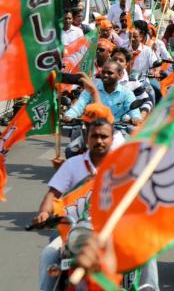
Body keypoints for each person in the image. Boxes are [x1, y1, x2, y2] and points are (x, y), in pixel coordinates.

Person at [35, 115, 112, 291]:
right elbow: (53, 193)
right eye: (95, 136)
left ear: (111, 139)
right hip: (71, 233)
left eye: (104, 137)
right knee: (48, 254)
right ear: (87, 139)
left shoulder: (121, 165)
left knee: (146, 256)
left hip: (111, 232)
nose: (99, 141)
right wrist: (45, 213)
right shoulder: (72, 165)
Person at [64, 60, 142, 125]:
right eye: (103, 72)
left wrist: (135, 118)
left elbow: (134, 111)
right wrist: (69, 116)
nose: (105, 75)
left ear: (120, 75)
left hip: (117, 131)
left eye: (109, 73)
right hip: (92, 129)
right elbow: (79, 106)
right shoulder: (91, 89)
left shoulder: (126, 93)